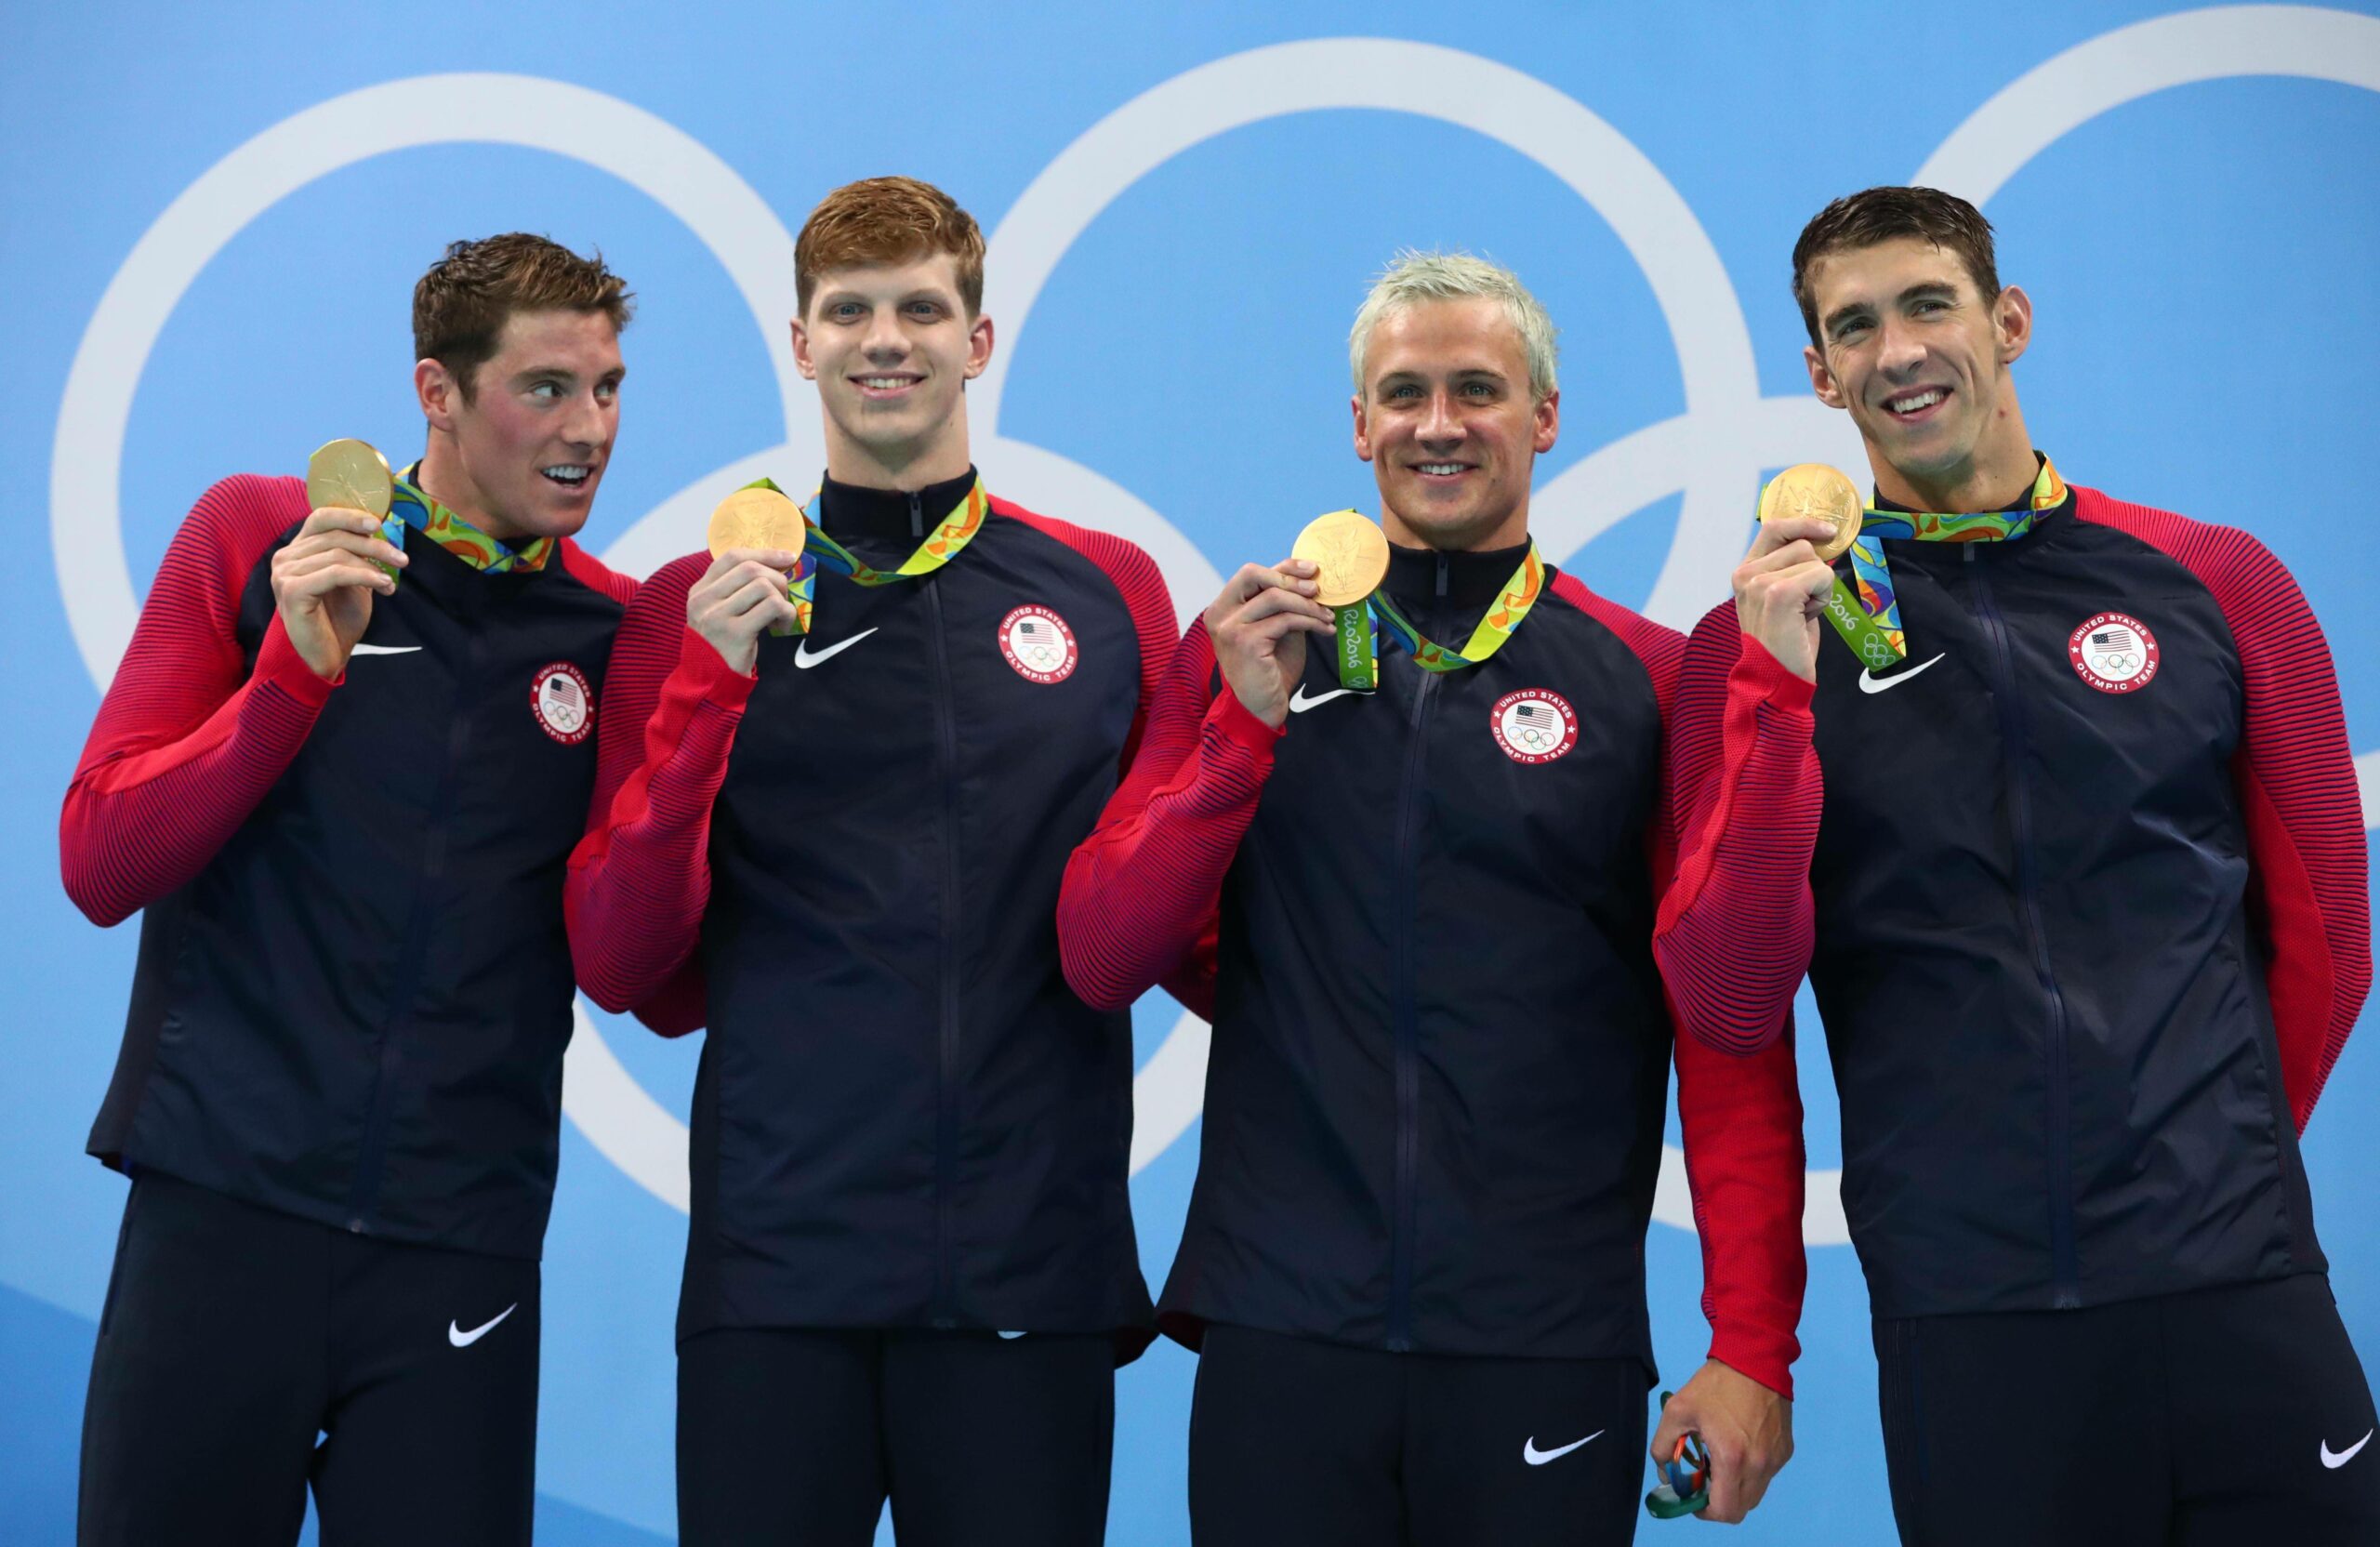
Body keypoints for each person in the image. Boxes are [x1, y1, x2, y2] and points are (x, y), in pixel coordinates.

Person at [1660, 184, 2378, 1544]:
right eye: (1854, 327)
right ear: (1819, 375)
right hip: (1973, 1318)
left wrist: (2202, 1164)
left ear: (2009, 320)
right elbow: (1731, 1006)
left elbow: (2329, 937)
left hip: (2239, 1283)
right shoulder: (1748, 652)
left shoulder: (2218, 581)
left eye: (1929, 304)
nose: (1898, 351)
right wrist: (1771, 695)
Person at [1058, 251, 1805, 1544]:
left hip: (1541, 1341)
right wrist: (1239, 734)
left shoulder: (1646, 680)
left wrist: (1750, 1343)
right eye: (1405, 394)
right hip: (1281, 1325)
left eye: (1479, 389)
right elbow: (1102, 954)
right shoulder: (1246, 652)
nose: (1440, 424)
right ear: (1358, 426)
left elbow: (1726, 1035)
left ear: (1546, 417)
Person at [565, 176, 1176, 1547]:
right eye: (849, 310)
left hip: (1033, 1264)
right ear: (800, 344)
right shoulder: (692, 605)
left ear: (980, 338)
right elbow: (617, 957)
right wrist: (711, 686)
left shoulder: (1109, 590)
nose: (884, 338)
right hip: (779, 1273)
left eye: (919, 307)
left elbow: (1164, 925)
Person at [61, 233, 638, 1547]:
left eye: (607, 388)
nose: (589, 428)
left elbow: (640, 958)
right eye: (546, 388)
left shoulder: (613, 637)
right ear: (436, 392)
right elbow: (100, 861)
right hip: (223, 1206)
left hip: (460, 1248)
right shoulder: (262, 536)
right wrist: (289, 685)